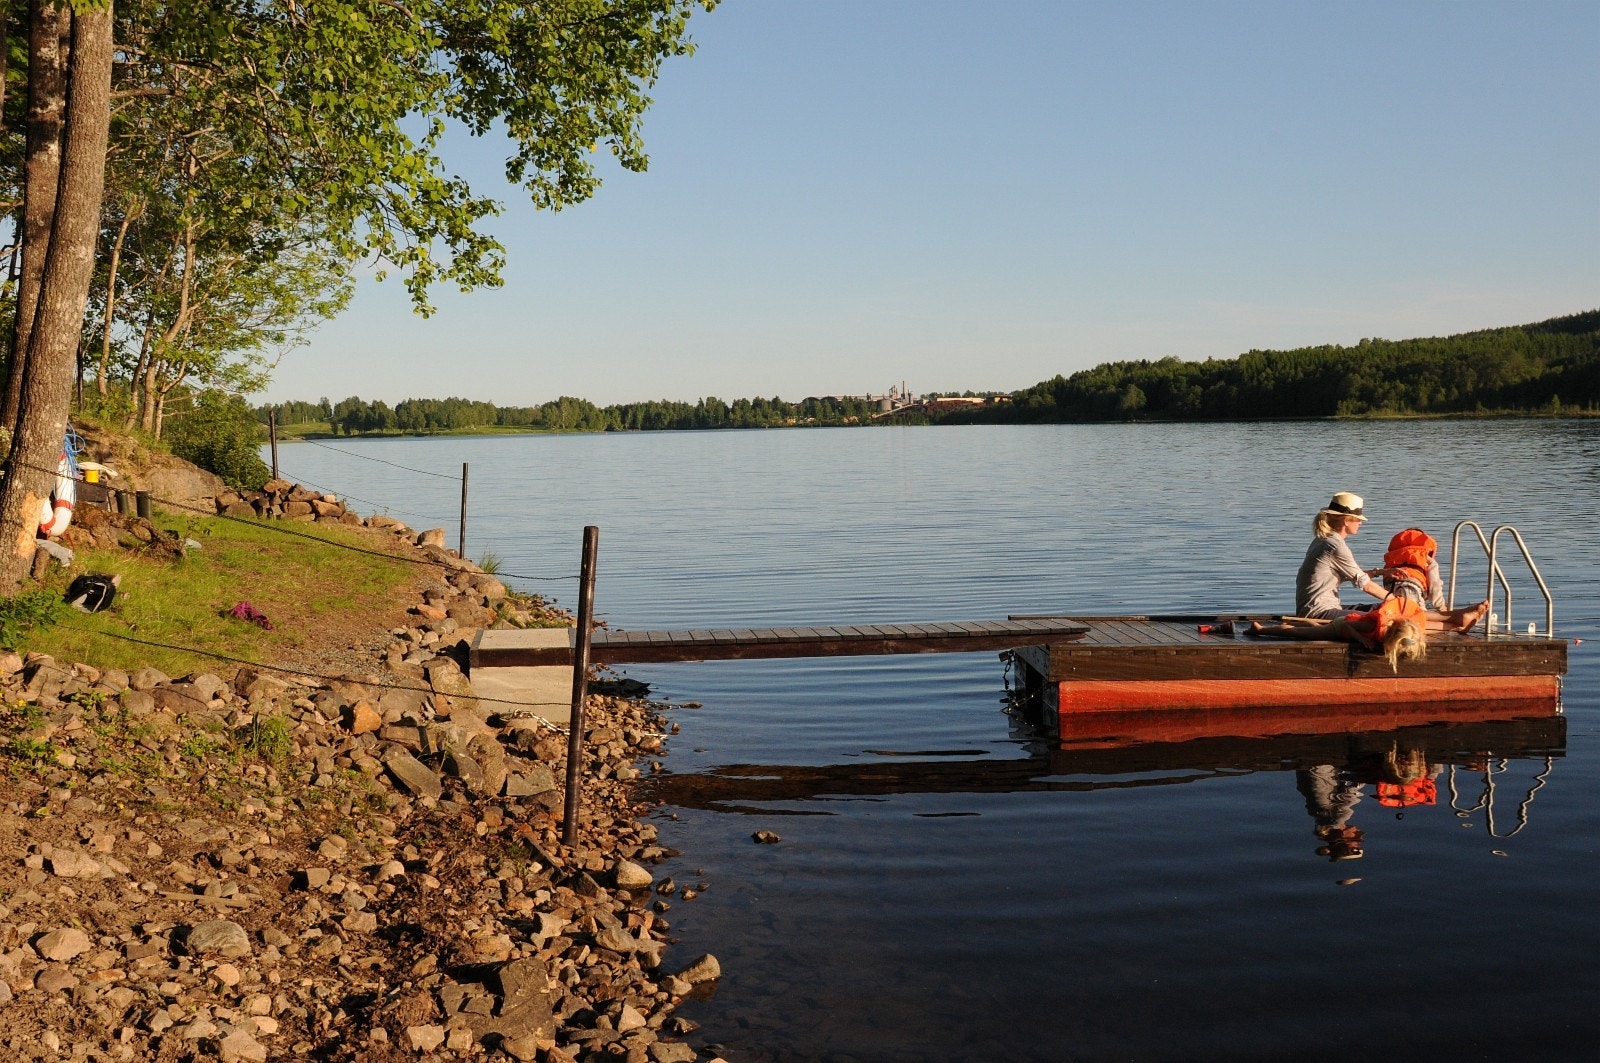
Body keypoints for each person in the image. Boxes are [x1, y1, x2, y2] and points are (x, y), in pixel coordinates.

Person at [1294, 491, 1388, 620]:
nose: (1360, 523)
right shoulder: (1335, 545)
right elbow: (1365, 585)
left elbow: (1351, 574)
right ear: (1346, 521)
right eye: (1358, 519)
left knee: (1385, 607)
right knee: (1386, 616)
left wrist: (1379, 572)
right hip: (1319, 612)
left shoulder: (1323, 539)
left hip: (1317, 608)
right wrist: (1397, 600)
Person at [1380, 527, 1489, 633]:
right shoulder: (1427, 560)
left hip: (1392, 588)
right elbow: (1434, 587)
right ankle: (1457, 621)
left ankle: (1458, 619)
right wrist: (1441, 607)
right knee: (1413, 623)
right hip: (1411, 588)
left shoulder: (1392, 559)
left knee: (1405, 620)